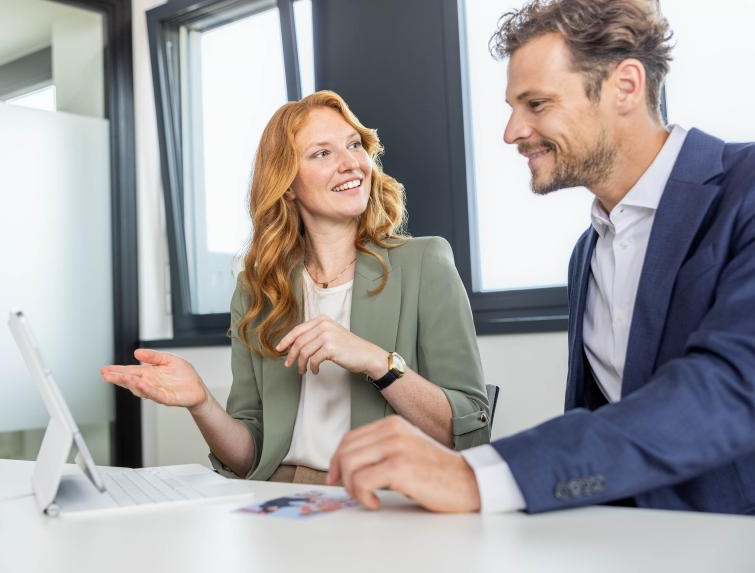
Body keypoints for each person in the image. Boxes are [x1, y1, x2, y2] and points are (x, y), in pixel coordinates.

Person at [329, 0, 755, 514]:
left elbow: (730, 388)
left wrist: (479, 476)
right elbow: (604, 424)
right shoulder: (588, 253)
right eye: (513, 107)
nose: (512, 131)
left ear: (625, 86)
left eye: (536, 104)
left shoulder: (744, 189)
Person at [101, 90, 490, 484]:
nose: (350, 163)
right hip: (276, 493)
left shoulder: (425, 263)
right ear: (288, 185)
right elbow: (249, 458)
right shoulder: (257, 290)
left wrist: (375, 360)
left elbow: (468, 433)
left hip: (379, 498)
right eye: (322, 153)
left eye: (354, 145)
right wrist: (201, 402)